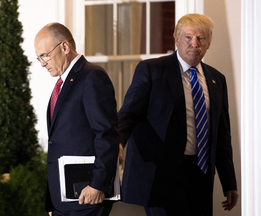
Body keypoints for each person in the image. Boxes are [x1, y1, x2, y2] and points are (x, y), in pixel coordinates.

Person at [118, 13, 238, 216]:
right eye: (189, 37)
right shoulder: (152, 70)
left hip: (200, 175)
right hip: (161, 174)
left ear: (208, 43)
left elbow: (222, 136)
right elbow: (129, 113)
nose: (195, 44)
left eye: (201, 38)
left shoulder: (217, 79)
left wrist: (229, 183)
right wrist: (118, 142)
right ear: (177, 40)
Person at [34, 23, 119, 216]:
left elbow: (107, 134)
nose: (42, 63)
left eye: (45, 55)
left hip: (87, 197)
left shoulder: (92, 76)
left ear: (64, 47)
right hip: (66, 200)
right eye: (39, 58)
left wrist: (98, 185)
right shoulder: (63, 82)